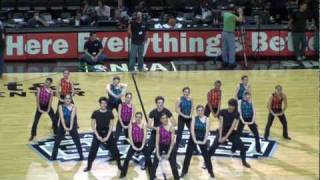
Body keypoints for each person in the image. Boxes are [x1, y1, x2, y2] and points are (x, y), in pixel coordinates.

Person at [209, 99, 251, 168]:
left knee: (243, 148)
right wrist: (220, 137)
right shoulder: (223, 111)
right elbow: (221, 125)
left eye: (232, 106)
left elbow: (232, 127)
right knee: (213, 147)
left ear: (235, 106)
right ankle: (206, 161)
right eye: (229, 105)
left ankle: (244, 162)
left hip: (231, 133)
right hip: (222, 131)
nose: (230, 107)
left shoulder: (236, 114)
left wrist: (225, 138)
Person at [84, 97, 122, 172]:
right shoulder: (95, 113)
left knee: (115, 151)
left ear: (106, 104)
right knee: (92, 151)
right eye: (102, 103)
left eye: (105, 103)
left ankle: (120, 166)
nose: (104, 105)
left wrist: (107, 136)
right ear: (100, 104)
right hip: (98, 133)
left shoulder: (110, 113)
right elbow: (93, 125)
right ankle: (88, 166)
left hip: (108, 133)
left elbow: (111, 126)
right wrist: (98, 136)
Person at [181, 105, 214, 178]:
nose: (200, 112)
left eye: (201, 110)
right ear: (196, 111)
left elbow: (207, 131)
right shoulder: (194, 118)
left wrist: (204, 141)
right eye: (198, 110)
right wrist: (195, 140)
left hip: (203, 139)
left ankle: (211, 172)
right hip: (193, 138)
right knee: (188, 155)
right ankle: (184, 171)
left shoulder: (207, 119)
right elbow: (192, 130)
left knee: (206, 156)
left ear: (203, 111)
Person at [51, 94, 83, 160]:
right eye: (66, 98)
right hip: (63, 124)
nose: (68, 100)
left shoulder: (74, 107)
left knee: (77, 141)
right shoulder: (60, 106)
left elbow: (72, 117)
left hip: (72, 124)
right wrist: (65, 127)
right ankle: (53, 156)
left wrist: (71, 127)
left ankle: (81, 155)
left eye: (69, 98)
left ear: (71, 100)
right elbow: (62, 117)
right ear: (64, 100)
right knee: (57, 141)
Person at [120, 112, 151, 178]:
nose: (138, 118)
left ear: (141, 118)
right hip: (134, 143)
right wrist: (133, 145)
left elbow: (145, 136)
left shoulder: (144, 124)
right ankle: (123, 174)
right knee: (127, 159)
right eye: (137, 117)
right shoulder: (131, 124)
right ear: (135, 117)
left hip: (142, 143)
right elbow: (130, 136)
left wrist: (142, 146)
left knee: (148, 158)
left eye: (140, 117)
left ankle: (152, 174)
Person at [150, 113, 179, 180]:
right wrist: (157, 153)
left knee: (173, 164)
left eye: (166, 118)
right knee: (155, 163)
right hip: (160, 145)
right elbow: (157, 142)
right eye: (163, 118)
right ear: (160, 120)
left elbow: (172, 143)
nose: (165, 119)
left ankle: (177, 178)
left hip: (170, 145)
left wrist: (168, 154)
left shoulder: (172, 128)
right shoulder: (158, 128)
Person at [221, 5, 244, 69]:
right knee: (232, 49)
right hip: (229, 33)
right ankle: (231, 63)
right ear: (233, 11)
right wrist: (240, 13)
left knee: (224, 48)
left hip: (224, 33)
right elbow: (240, 20)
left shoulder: (225, 14)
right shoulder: (232, 16)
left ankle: (225, 62)